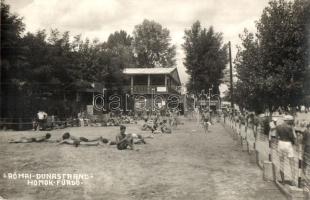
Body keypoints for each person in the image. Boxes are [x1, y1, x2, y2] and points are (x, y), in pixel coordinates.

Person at [276, 115, 296, 185]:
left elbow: (276, 137)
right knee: (292, 163)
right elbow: (292, 137)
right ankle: (293, 181)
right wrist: (294, 143)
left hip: (280, 143)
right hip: (288, 143)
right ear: (287, 120)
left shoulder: (278, 127)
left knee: (281, 163)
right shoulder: (290, 127)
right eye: (290, 120)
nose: (291, 122)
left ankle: (283, 181)